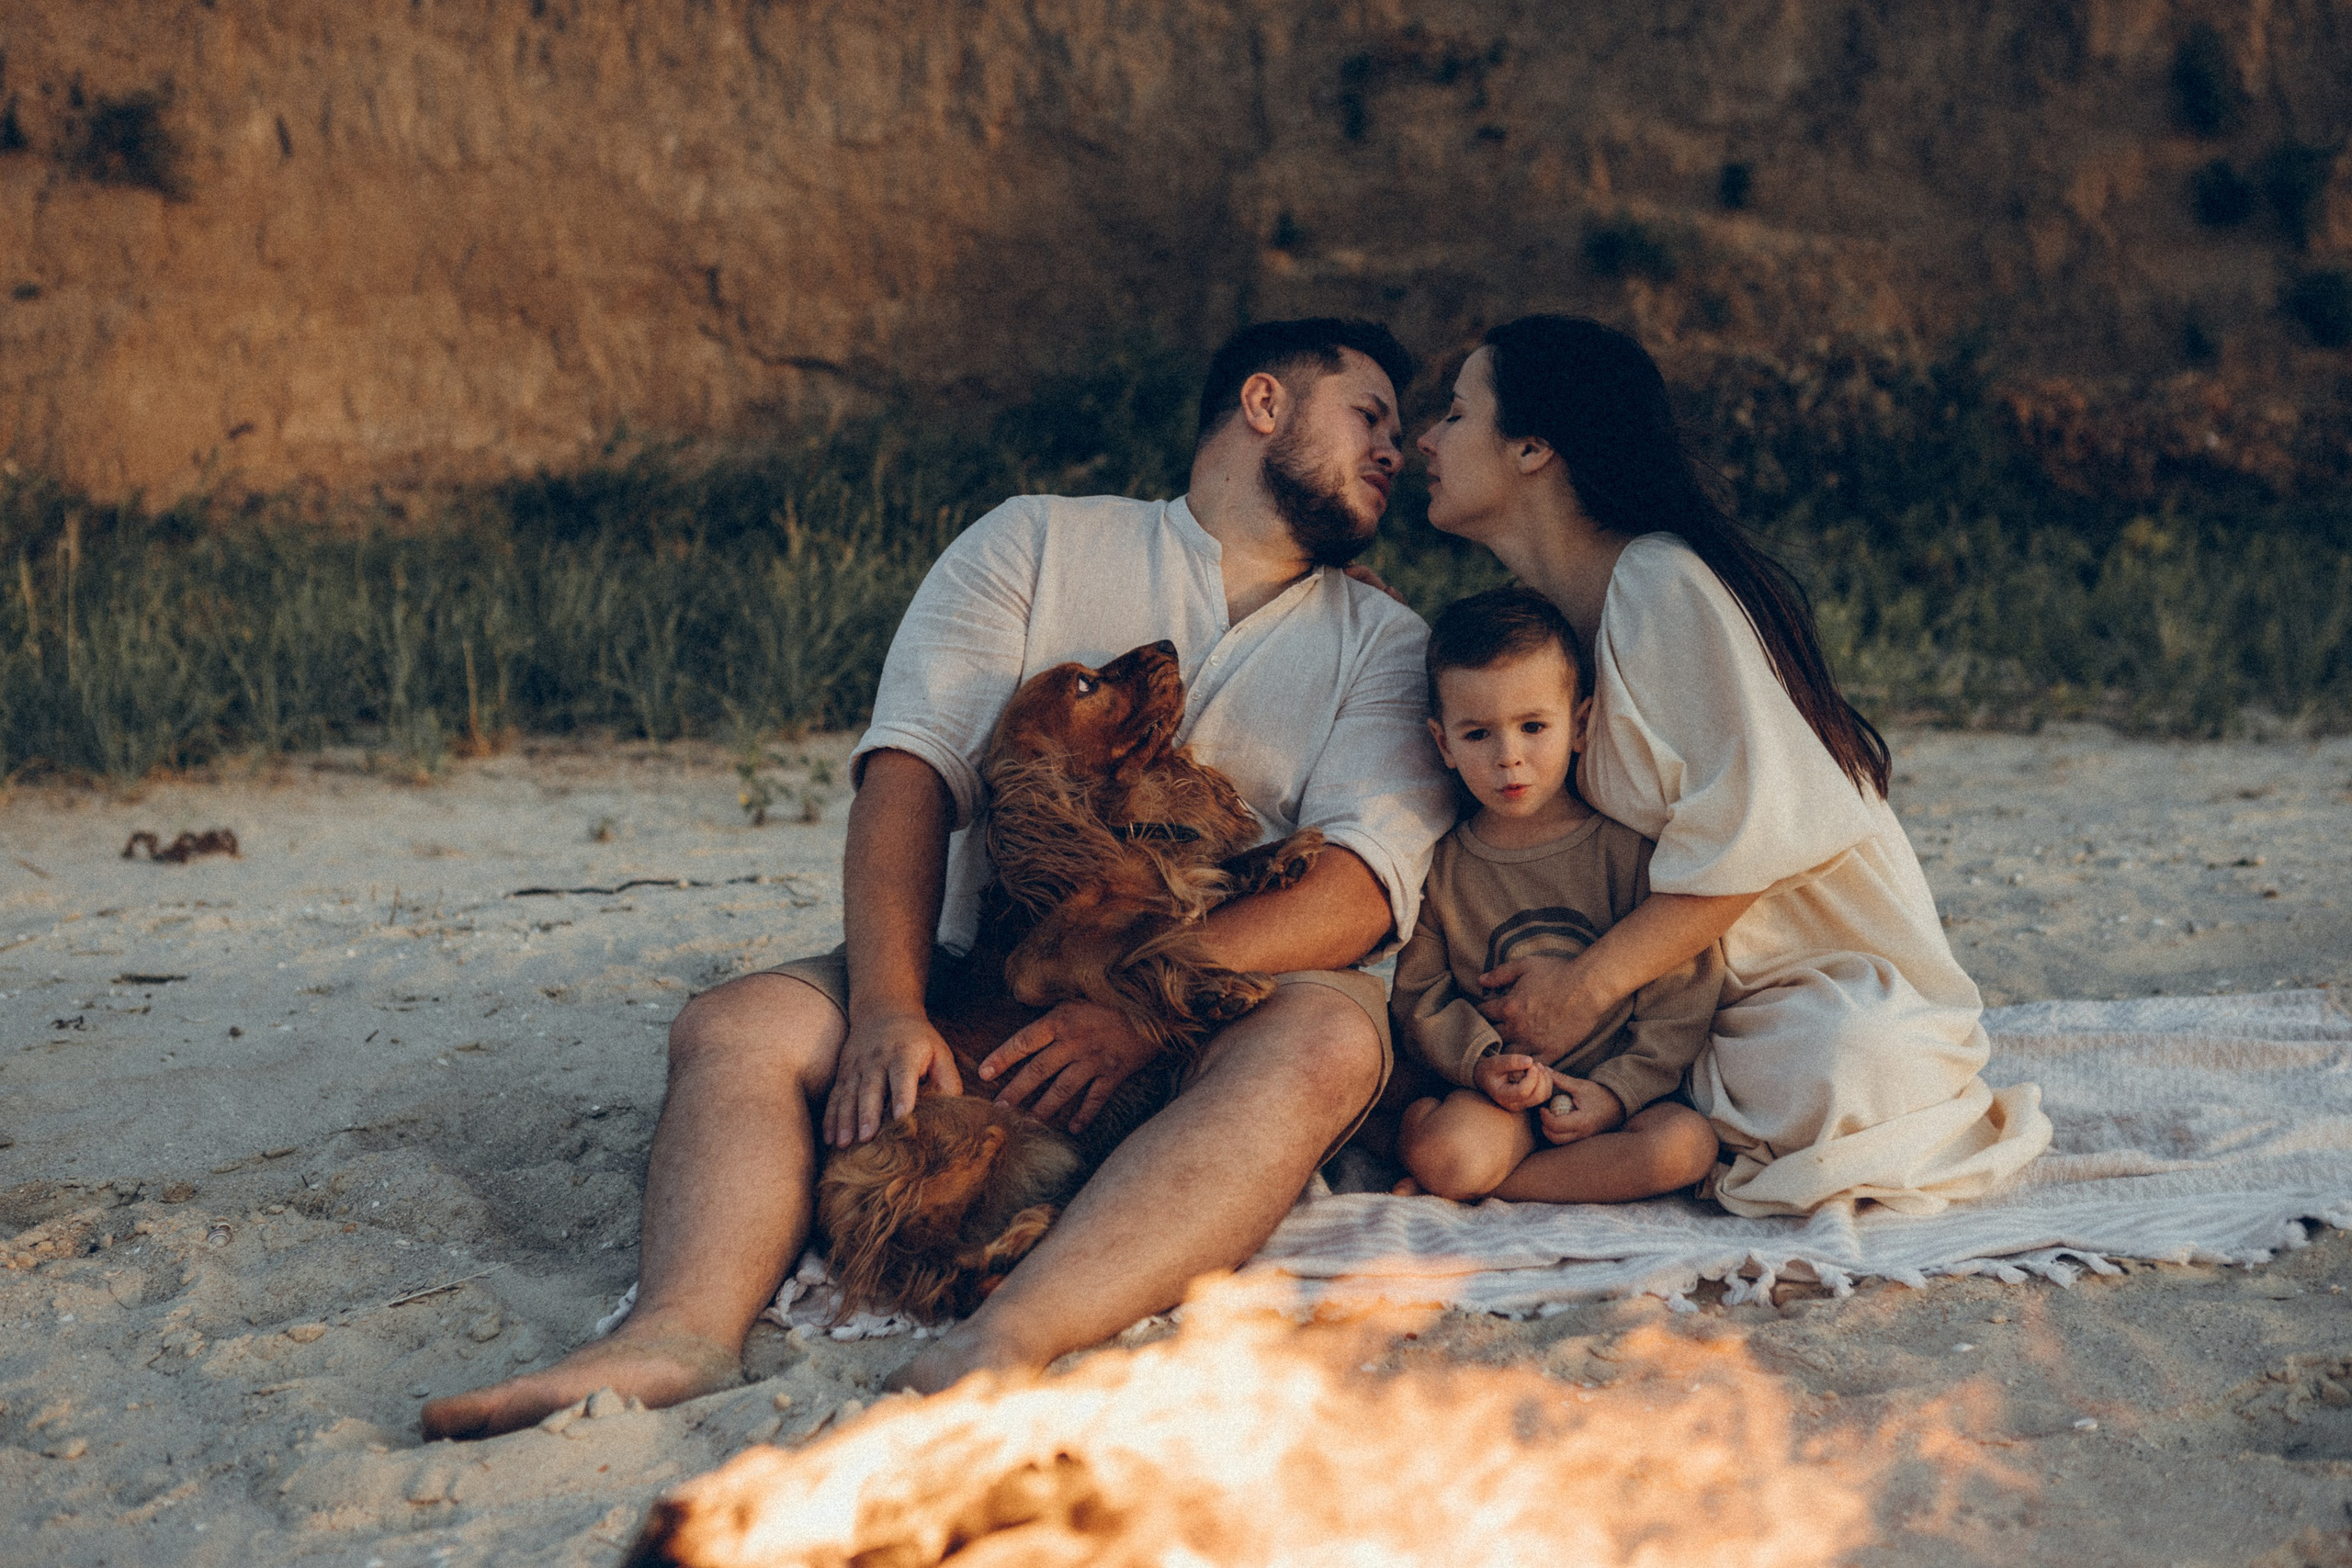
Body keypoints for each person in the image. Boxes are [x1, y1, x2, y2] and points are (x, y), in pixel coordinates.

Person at [420, 319, 1455, 1438]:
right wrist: (889, 1007)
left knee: (1329, 1044)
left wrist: (1143, 1006)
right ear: (1265, 404)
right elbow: (910, 776)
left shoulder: (1386, 639)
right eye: (1371, 418)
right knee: (739, 1025)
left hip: (1223, 1006)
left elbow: (1357, 889)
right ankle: (676, 1332)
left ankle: (1009, 1333)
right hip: (981, 979)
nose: (1397, 451)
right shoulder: (1034, 540)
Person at [1411, 315, 2052, 1219]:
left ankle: (1558, 1152)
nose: (1426, 440)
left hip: (1787, 980)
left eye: (1454, 413)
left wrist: (1582, 988)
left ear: (1531, 447)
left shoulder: (1660, 586)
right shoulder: (1539, 622)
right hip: (1657, 993)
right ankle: (1597, 1124)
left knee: (1852, 1064)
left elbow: (1759, 840)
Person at [1391, 585, 1724, 1204]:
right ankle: (1437, 1154)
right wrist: (1483, 1064)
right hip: (1501, 1101)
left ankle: (1503, 1187)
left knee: (1685, 1145)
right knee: (1454, 1154)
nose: (1509, 758)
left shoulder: (1627, 852)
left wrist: (1619, 1091)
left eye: (1533, 726)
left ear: (1580, 725)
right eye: (1478, 735)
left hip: (1608, 1096)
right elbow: (1420, 995)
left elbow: (1683, 990)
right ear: (1443, 744)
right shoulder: (1443, 866)